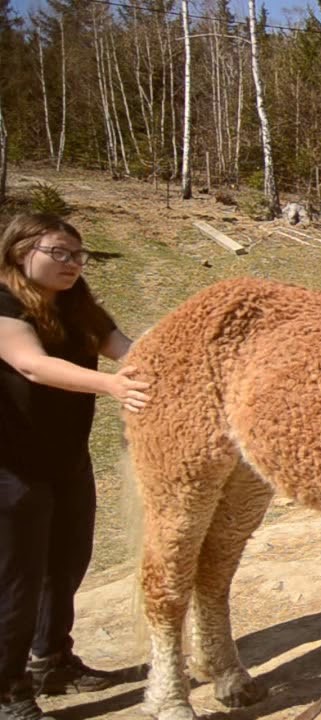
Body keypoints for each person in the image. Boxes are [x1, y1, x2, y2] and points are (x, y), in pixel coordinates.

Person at [0, 213, 151, 720]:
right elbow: (30, 363)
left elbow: (125, 349)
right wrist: (111, 386)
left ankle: (53, 661)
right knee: (18, 576)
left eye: (77, 255)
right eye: (59, 253)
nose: (71, 264)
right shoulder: (2, 303)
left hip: (67, 457)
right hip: (11, 465)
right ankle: (8, 689)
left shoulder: (79, 303)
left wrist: (158, 366)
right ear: (22, 251)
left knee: (66, 562)